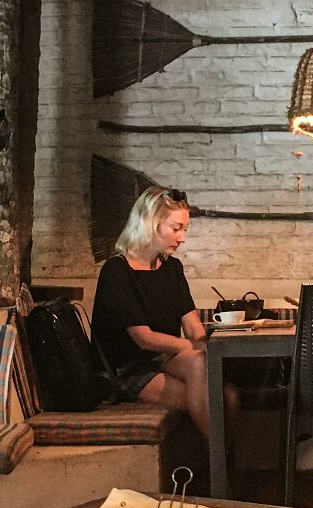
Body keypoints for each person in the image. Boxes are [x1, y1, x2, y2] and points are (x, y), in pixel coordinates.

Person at [91, 186, 240, 439]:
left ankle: (216, 468)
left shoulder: (172, 269)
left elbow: (193, 327)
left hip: (163, 358)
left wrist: (207, 346)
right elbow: (144, 338)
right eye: (176, 228)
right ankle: (220, 470)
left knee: (231, 396)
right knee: (211, 392)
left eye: (185, 230)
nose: (182, 238)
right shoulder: (116, 271)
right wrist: (192, 348)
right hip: (128, 370)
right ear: (150, 223)